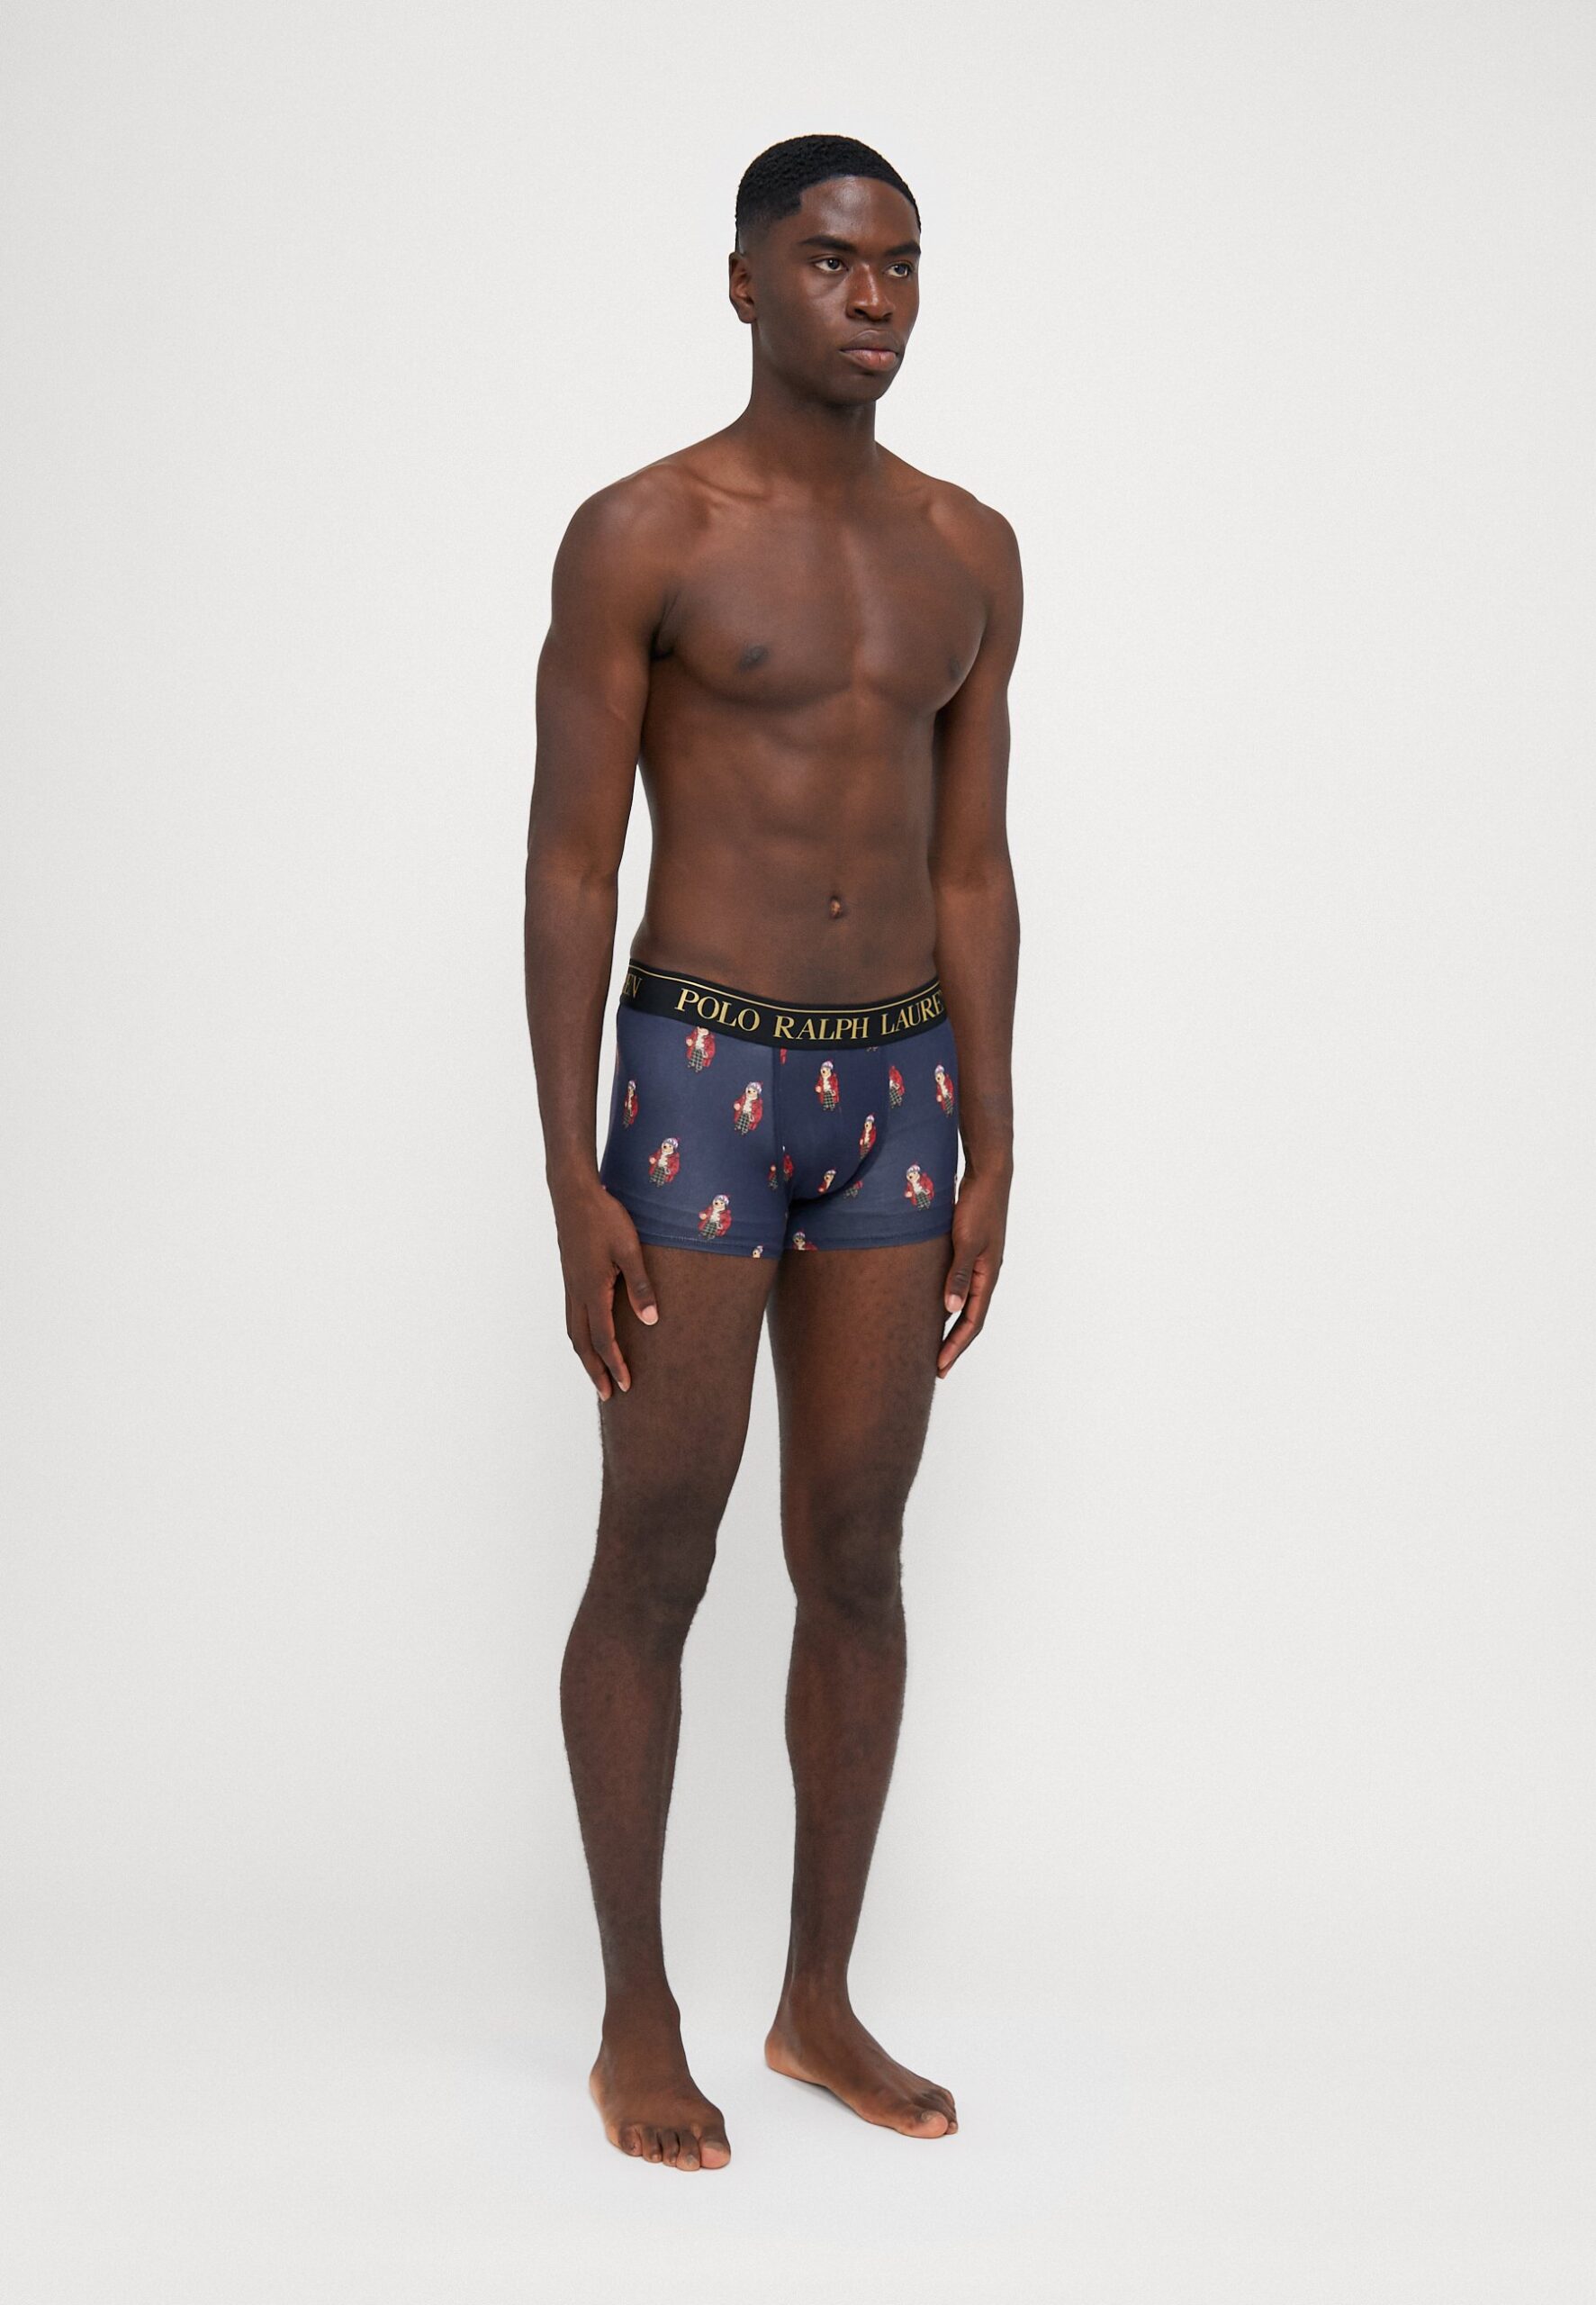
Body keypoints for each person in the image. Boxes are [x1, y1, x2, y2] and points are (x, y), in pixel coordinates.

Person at [523, 132, 1023, 2172]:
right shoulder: (642, 532)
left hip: (897, 1087)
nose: (872, 295)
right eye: (829, 261)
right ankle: (635, 2014)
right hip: (697, 1076)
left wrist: (998, 1139)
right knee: (657, 1543)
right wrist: (568, 1171)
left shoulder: (967, 548)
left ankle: (817, 2001)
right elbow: (572, 861)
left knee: (858, 1547)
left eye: (898, 262)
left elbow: (972, 865)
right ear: (743, 280)